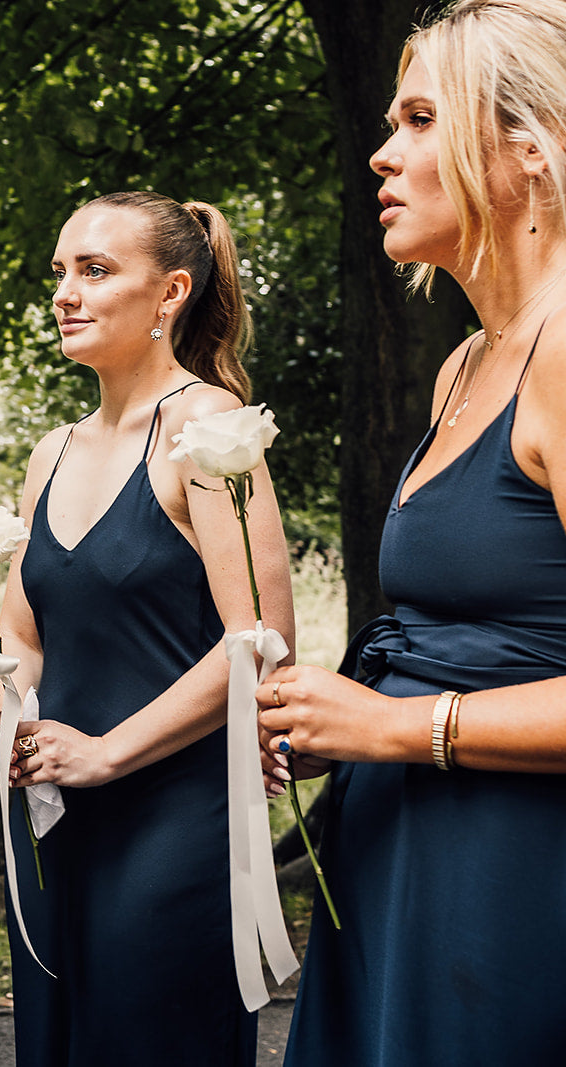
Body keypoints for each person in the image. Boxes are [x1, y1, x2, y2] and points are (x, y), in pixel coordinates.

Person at [257, 2, 566, 1062]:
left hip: (516, 883)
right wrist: (328, 718)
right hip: (396, 860)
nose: (383, 154)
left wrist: (398, 727)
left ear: (528, 148)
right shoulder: (465, 366)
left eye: (422, 118)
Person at [0, 191, 294, 1066]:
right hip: (53, 819)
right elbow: (26, 639)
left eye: (96, 270)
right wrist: (7, 725)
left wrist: (107, 753)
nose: (66, 293)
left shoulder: (209, 430)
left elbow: (261, 637)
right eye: (60, 273)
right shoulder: (51, 452)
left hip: (172, 818)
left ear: (170, 295)